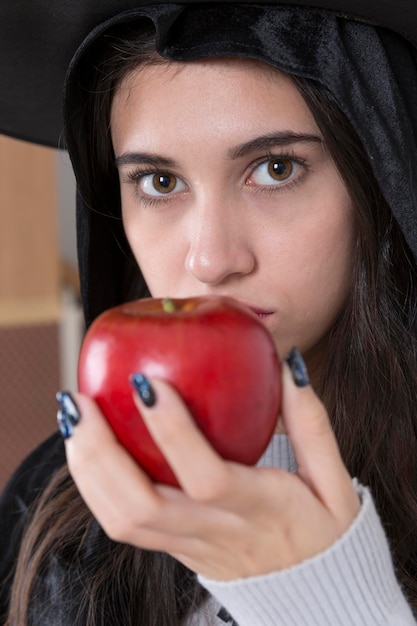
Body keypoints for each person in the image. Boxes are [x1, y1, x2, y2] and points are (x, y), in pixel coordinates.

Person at [1, 1, 417, 624]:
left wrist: (330, 597)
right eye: (159, 183)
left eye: (276, 169)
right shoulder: (50, 499)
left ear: (380, 181)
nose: (211, 260)